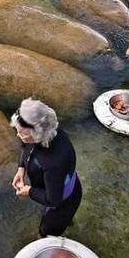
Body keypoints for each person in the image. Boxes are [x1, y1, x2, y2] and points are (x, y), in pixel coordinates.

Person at [10, 98, 82, 238]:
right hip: (59, 186)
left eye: (22, 133)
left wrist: (29, 191)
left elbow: (53, 200)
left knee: (46, 231)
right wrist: (21, 168)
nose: (18, 136)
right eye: (17, 130)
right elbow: (27, 146)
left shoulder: (53, 162)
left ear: (38, 134)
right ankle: (66, 222)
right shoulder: (48, 133)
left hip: (62, 201)